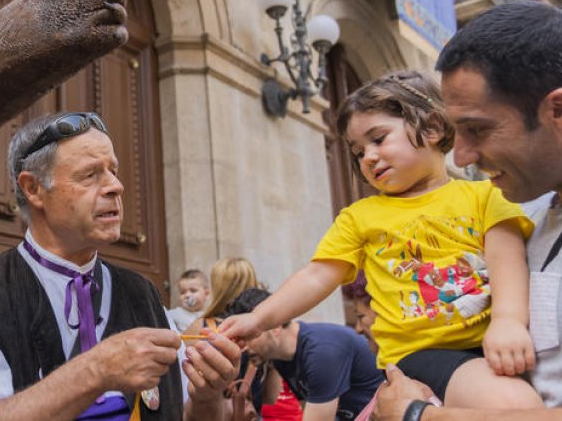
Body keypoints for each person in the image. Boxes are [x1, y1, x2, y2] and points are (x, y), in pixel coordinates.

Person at [375, 2, 562, 420]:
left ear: (560, 109)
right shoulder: (515, 211)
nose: (461, 156)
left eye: (478, 129)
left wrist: (418, 416)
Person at [221, 71, 540, 410]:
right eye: (358, 152)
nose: (368, 157)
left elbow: (508, 261)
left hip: (494, 342)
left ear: (431, 127)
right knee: (514, 403)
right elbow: (316, 276)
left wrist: (508, 322)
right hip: (420, 355)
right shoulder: (360, 216)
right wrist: (259, 318)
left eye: (379, 138)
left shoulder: (487, 195)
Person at [0, 111, 241, 421]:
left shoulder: (143, 294)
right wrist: (96, 370)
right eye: (90, 174)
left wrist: (207, 396)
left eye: (113, 171)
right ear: (34, 188)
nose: (116, 187)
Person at [224, 288, 384, 421]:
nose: (243, 347)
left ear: (274, 327)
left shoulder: (321, 353)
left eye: (248, 337)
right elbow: (305, 408)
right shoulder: (281, 357)